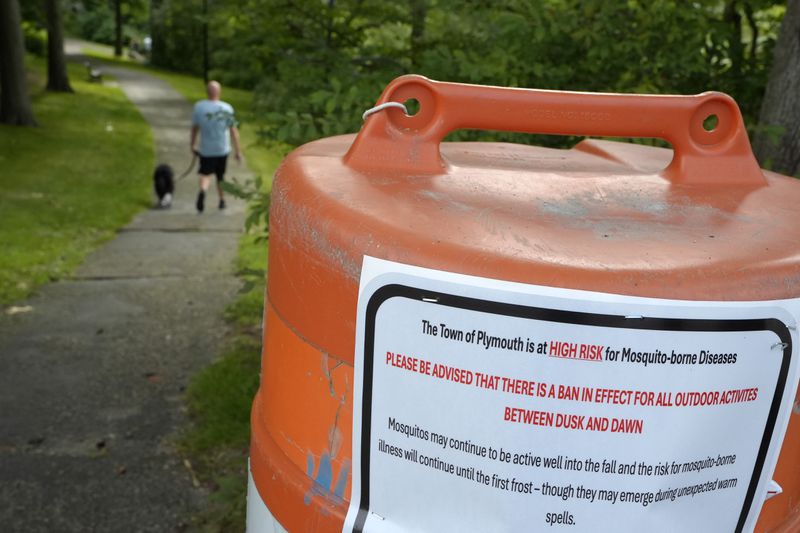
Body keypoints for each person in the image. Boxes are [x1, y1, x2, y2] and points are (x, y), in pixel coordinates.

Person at [190, 80, 242, 212]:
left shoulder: (199, 107)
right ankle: (222, 201)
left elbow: (195, 128)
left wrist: (193, 144)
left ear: (207, 92)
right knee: (220, 176)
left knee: (205, 174)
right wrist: (238, 151)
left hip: (206, 149)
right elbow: (233, 131)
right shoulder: (226, 108)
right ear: (219, 92)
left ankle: (203, 190)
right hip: (222, 149)